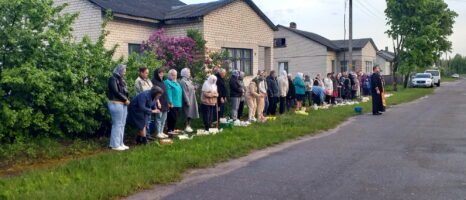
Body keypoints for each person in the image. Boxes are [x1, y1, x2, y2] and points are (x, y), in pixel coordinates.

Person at [107, 64, 130, 151]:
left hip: (123, 103)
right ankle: (114, 145)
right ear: (119, 69)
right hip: (116, 103)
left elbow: (125, 92)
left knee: (122, 124)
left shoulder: (121, 79)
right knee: (117, 124)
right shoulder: (112, 78)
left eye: (125, 70)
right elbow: (115, 91)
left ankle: (120, 143)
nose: (125, 71)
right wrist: (125, 99)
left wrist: (127, 99)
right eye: (124, 69)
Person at [134, 66, 155, 139]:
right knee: (143, 121)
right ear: (141, 73)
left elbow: (152, 89)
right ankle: (143, 136)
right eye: (146, 73)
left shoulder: (148, 80)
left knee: (148, 119)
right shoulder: (138, 81)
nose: (147, 74)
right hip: (142, 102)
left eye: (148, 73)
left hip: (148, 102)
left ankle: (148, 135)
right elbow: (143, 92)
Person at [152, 68, 169, 139]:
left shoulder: (163, 82)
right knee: (158, 118)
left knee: (163, 118)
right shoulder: (153, 81)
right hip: (158, 102)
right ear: (156, 74)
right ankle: (157, 132)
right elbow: (154, 93)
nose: (161, 74)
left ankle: (161, 132)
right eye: (160, 73)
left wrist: (168, 102)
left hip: (165, 102)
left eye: (162, 73)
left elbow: (165, 93)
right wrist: (158, 102)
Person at [180, 68, 199, 133]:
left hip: (192, 98)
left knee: (190, 113)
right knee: (186, 113)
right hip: (187, 100)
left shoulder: (189, 81)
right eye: (188, 72)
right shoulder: (183, 81)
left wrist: (195, 88)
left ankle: (189, 125)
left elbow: (191, 88)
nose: (189, 74)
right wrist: (187, 101)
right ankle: (186, 126)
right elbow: (184, 92)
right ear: (184, 73)